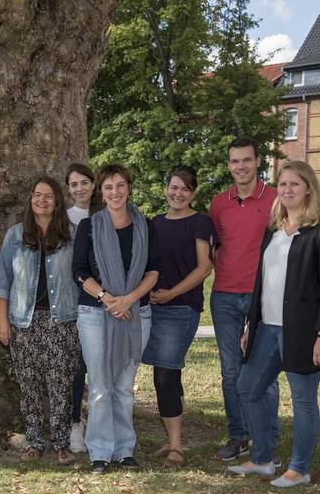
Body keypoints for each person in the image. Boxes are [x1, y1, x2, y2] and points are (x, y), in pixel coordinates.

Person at [228, 160, 320, 488]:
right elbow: (261, 282)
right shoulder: (273, 230)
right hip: (266, 329)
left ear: (308, 188)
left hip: (304, 332)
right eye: (283, 183)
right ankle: (264, 459)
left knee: (303, 401)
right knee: (248, 388)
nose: (288, 189)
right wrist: (251, 325)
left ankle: (299, 469)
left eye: (295, 183)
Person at [72, 163, 159, 475]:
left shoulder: (145, 226)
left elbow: (153, 271)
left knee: (123, 385)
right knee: (99, 385)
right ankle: (99, 452)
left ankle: (124, 451)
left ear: (129, 188)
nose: (115, 192)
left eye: (120, 185)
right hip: (96, 313)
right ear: (101, 192)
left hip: (135, 312)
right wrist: (108, 299)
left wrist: (128, 300)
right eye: (108, 187)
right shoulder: (90, 227)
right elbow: (79, 271)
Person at [0, 176, 81, 466]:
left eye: (48, 196)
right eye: (36, 195)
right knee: (29, 385)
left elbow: (84, 278)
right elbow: (2, 280)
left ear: (57, 202)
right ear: (30, 199)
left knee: (60, 385)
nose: (42, 200)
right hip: (23, 322)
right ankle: (34, 441)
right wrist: (3, 320)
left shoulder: (73, 234)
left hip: (62, 321)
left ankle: (61, 443)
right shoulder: (15, 235)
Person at [209, 136, 280, 463]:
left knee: (263, 372)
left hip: (261, 297)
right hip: (223, 296)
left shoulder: (276, 200)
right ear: (229, 165)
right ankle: (238, 435)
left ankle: (268, 440)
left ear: (257, 161)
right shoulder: (218, 203)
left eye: (246, 160)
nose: (241, 166)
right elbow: (212, 247)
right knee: (230, 372)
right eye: (235, 161)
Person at [143, 166, 215, 468]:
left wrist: (171, 293)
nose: (178, 193)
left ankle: (176, 447)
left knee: (165, 375)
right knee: (167, 373)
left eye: (185, 189)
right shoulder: (154, 223)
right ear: (166, 189)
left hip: (181, 307)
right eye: (174, 187)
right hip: (152, 308)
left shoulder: (200, 222)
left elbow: (204, 268)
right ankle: (171, 437)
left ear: (193, 193)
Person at [63, 162, 98, 454]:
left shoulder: (105, 214)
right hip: (70, 299)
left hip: (101, 299)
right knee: (76, 367)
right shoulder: (63, 220)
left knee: (99, 366)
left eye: (84, 183)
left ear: (93, 184)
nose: (79, 189)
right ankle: (74, 424)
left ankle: (102, 424)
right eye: (73, 184)